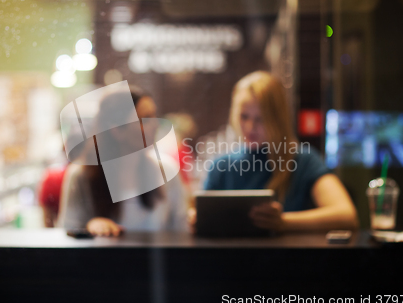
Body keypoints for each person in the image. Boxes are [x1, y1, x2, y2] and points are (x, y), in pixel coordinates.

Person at [197, 71, 358, 232]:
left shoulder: (303, 161)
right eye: (244, 117)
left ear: (277, 118)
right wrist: (195, 220)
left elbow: (346, 216)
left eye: (260, 119)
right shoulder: (221, 166)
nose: (250, 127)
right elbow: (200, 215)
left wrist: (285, 223)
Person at [58, 86, 188, 236]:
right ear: (117, 130)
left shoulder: (167, 170)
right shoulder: (81, 175)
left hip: (157, 259)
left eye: (154, 116)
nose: (156, 124)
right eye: (145, 119)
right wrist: (91, 226)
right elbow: (68, 230)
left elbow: (182, 230)